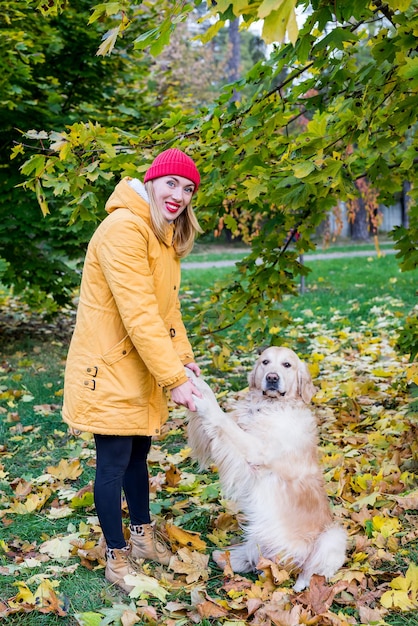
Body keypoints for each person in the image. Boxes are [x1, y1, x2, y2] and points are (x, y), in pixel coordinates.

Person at [62, 148, 203, 592]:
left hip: (137, 364)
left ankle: (141, 539)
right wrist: (174, 380)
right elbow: (140, 315)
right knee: (112, 462)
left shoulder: (160, 234)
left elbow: (167, 308)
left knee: (138, 456)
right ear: (152, 182)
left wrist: (183, 357)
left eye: (188, 189)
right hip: (110, 367)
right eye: (172, 183)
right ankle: (116, 555)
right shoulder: (125, 228)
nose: (179, 195)